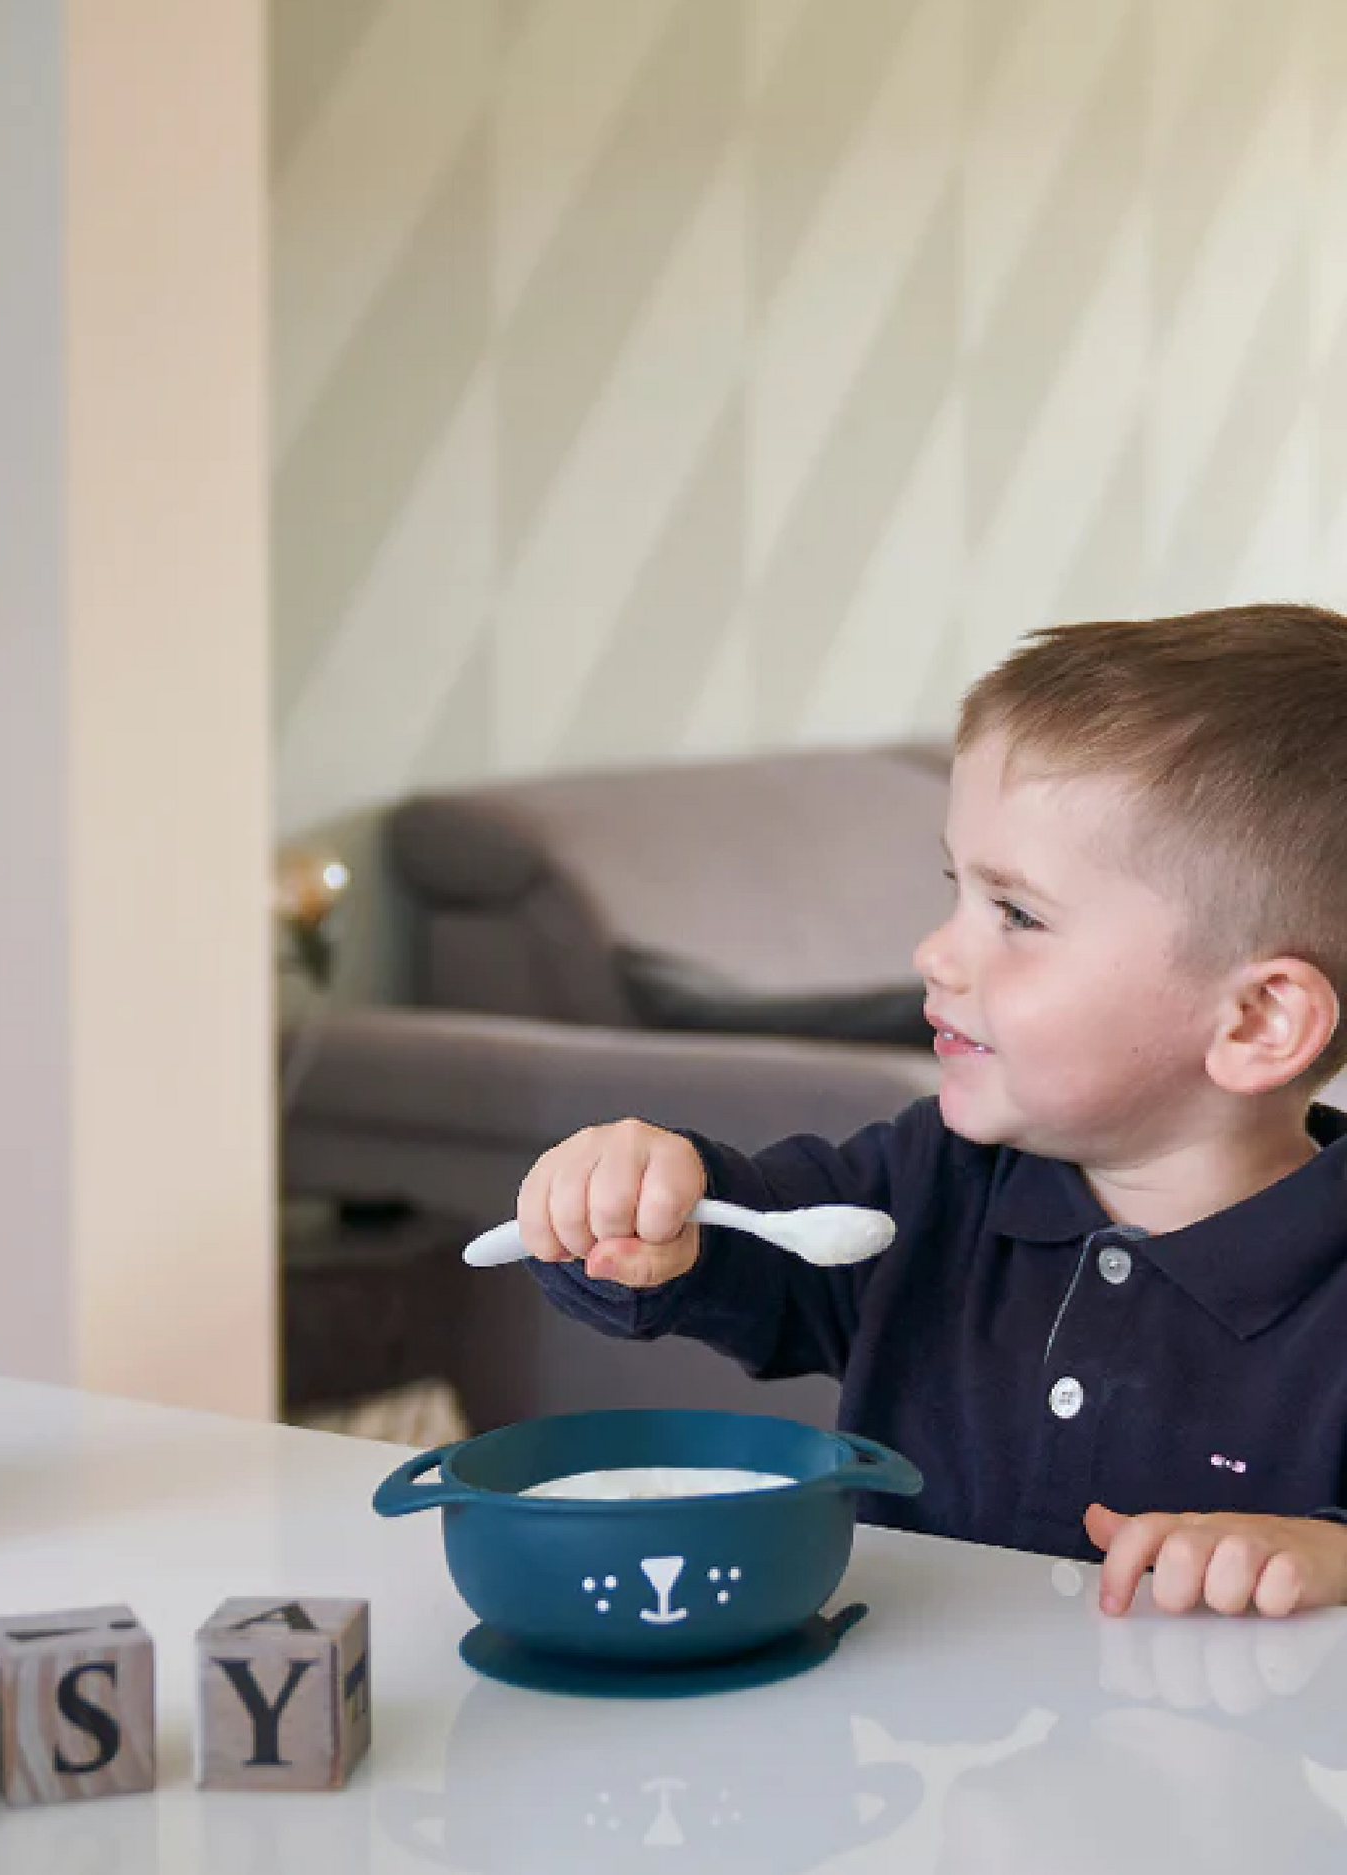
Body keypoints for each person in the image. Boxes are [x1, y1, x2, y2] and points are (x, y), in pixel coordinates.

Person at [514, 603, 1347, 1618]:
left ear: (1256, 1019)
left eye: (1015, 914)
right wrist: (641, 1197)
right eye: (955, 889)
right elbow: (734, 1239)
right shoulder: (925, 1184)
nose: (931, 953)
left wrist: (1324, 1559)